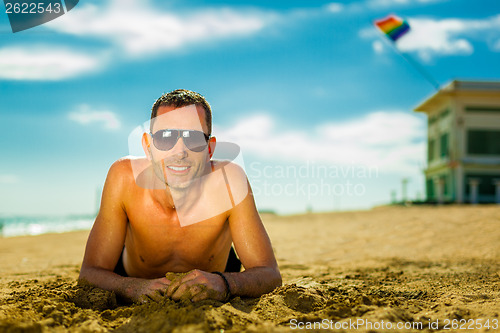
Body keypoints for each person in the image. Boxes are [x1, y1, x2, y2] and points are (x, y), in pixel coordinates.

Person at [79, 89, 281, 303]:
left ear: (209, 149)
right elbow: (90, 273)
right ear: (148, 146)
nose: (180, 151)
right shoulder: (124, 177)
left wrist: (223, 283)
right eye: (166, 138)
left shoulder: (229, 181)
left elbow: (269, 274)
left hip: (216, 272)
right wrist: (131, 287)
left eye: (193, 138)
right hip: (131, 270)